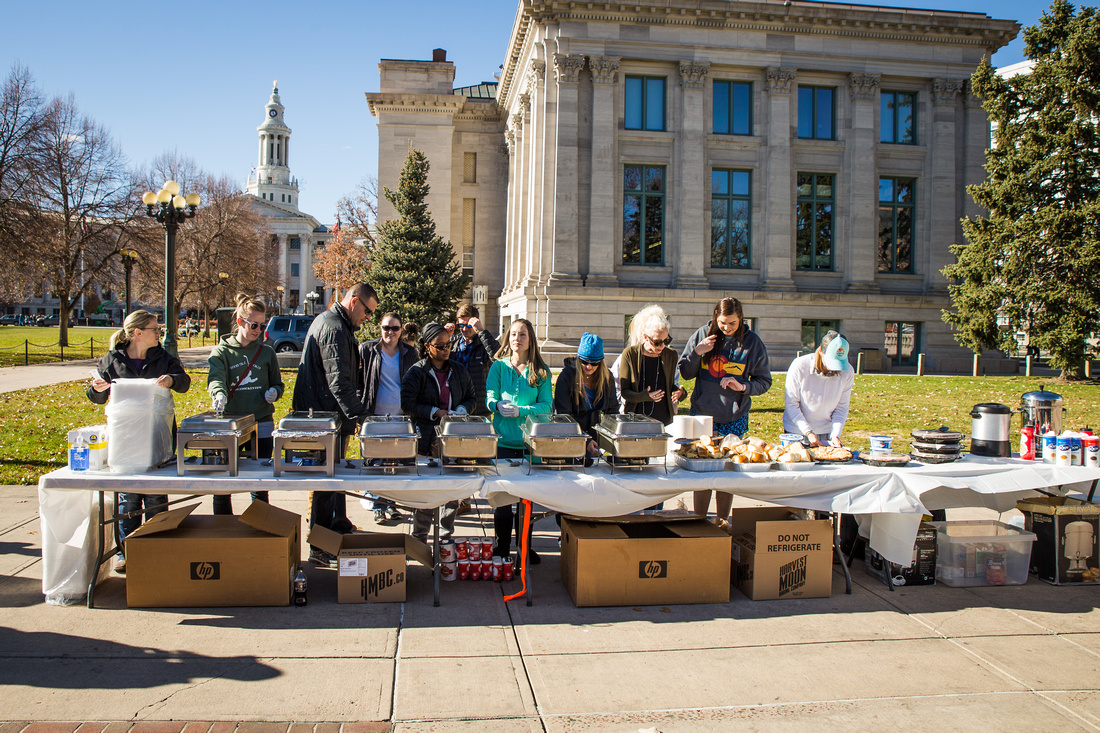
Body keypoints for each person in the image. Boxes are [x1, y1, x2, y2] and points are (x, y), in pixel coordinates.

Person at [87, 309, 191, 574]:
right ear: (137, 333)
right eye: (155, 329)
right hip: (126, 442)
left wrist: (171, 380)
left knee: (156, 497)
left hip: (157, 436)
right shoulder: (113, 360)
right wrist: (97, 389)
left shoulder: (163, 357)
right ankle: (127, 552)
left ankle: (157, 548)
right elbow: (96, 394)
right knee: (128, 499)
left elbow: (184, 382)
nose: (160, 333)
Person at [293, 283, 378, 566]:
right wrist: (363, 419)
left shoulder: (335, 324)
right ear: (354, 302)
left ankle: (338, 523)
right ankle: (319, 544)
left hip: (328, 416)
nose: (368, 318)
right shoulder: (334, 329)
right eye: (367, 311)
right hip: (322, 418)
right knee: (326, 481)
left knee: (335, 474)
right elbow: (339, 384)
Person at [679, 297, 772, 524]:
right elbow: (685, 372)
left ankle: (721, 520)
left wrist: (743, 387)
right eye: (722, 322)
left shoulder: (752, 343)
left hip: (734, 417)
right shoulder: (702, 335)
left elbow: (764, 381)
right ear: (715, 317)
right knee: (702, 471)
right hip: (703, 416)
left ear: (741, 319)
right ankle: (699, 520)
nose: (727, 328)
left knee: (727, 472)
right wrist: (697, 352)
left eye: (732, 323)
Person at [207, 294, 284, 515]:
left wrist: (274, 392)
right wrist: (219, 395)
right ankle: (223, 528)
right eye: (253, 325)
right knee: (223, 484)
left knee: (260, 483)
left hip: (261, 422)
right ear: (240, 322)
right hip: (231, 424)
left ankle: (259, 527)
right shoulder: (222, 352)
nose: (258, 330)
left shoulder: (267, 353)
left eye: (262, 325)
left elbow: (278, 384)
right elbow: (216, 378)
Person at [401, 321, 476, 542]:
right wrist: (435, 412)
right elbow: (407, 403)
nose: (446, 349)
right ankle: (419, 538)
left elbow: (472, 398)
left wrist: (461, 409)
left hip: (453, 439)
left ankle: (445, 536)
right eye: (440, 346)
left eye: (448, 345)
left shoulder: (459, 370)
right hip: (426, 439)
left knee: (451, 492)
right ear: (427, 346)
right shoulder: (416, 372)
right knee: (426, 492)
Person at [486, 318, 552, 562]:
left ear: (530, 339)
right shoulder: (498, 367)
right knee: (502, 503)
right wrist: (497, 404)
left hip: (529, 446)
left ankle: (524, 547)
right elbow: (490, 396)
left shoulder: (541, 371)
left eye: (522, 334)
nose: (517, 338)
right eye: (513, 334)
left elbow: (546, 405)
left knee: (526, 502)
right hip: (502, 444)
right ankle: (502, 547)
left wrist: (522, 410)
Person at [360, 312, 418, 522]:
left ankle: (391, 504)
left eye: (395, 328)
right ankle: (377, 505)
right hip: (375, 417)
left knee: (395, 464)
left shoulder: (410, 353)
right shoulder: (368, 350)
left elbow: (415, 383)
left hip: (400, 417)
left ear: (401, 330)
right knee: (375, 463)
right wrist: (361, 414)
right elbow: (360, 382)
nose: (390, 332)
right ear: (380, 328)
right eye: (386, 328)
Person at [553, 332, 616, 465]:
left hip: (595, 437)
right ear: (578, 358)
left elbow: (612, 411)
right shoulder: (566, 378)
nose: (589, 367)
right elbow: (564, 416)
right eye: (584, 362)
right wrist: (585, 440)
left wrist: (608, 439)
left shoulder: (607, 377)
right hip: (569, 437)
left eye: (594, 363)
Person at [782, 330, 854, 447]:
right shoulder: (800, 366)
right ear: (820, 351)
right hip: (797, 431)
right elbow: (792, 404)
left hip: (826, 431)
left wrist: (835, 435)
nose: (833, 369)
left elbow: (841, 408)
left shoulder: (847, 371)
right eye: (831, 362)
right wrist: (808, 432)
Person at [618, 305, 685, 427]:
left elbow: (670, 387)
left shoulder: (671, 355)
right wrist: (644, 396)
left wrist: (680, 393)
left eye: (667, 340)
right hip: (635, 418)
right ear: (645, 337)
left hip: (664, 419)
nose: (662, 346)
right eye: (657, 342)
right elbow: (625, 392)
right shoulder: (630, 354)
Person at [447, 304, 499, 417]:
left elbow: (498, 359)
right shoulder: (454, 342)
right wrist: (444, 338)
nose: (465, 329)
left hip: (479, 408)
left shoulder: (484, 342)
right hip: (455, 405)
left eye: (469, 325)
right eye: (461, 325)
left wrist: (481, 331)